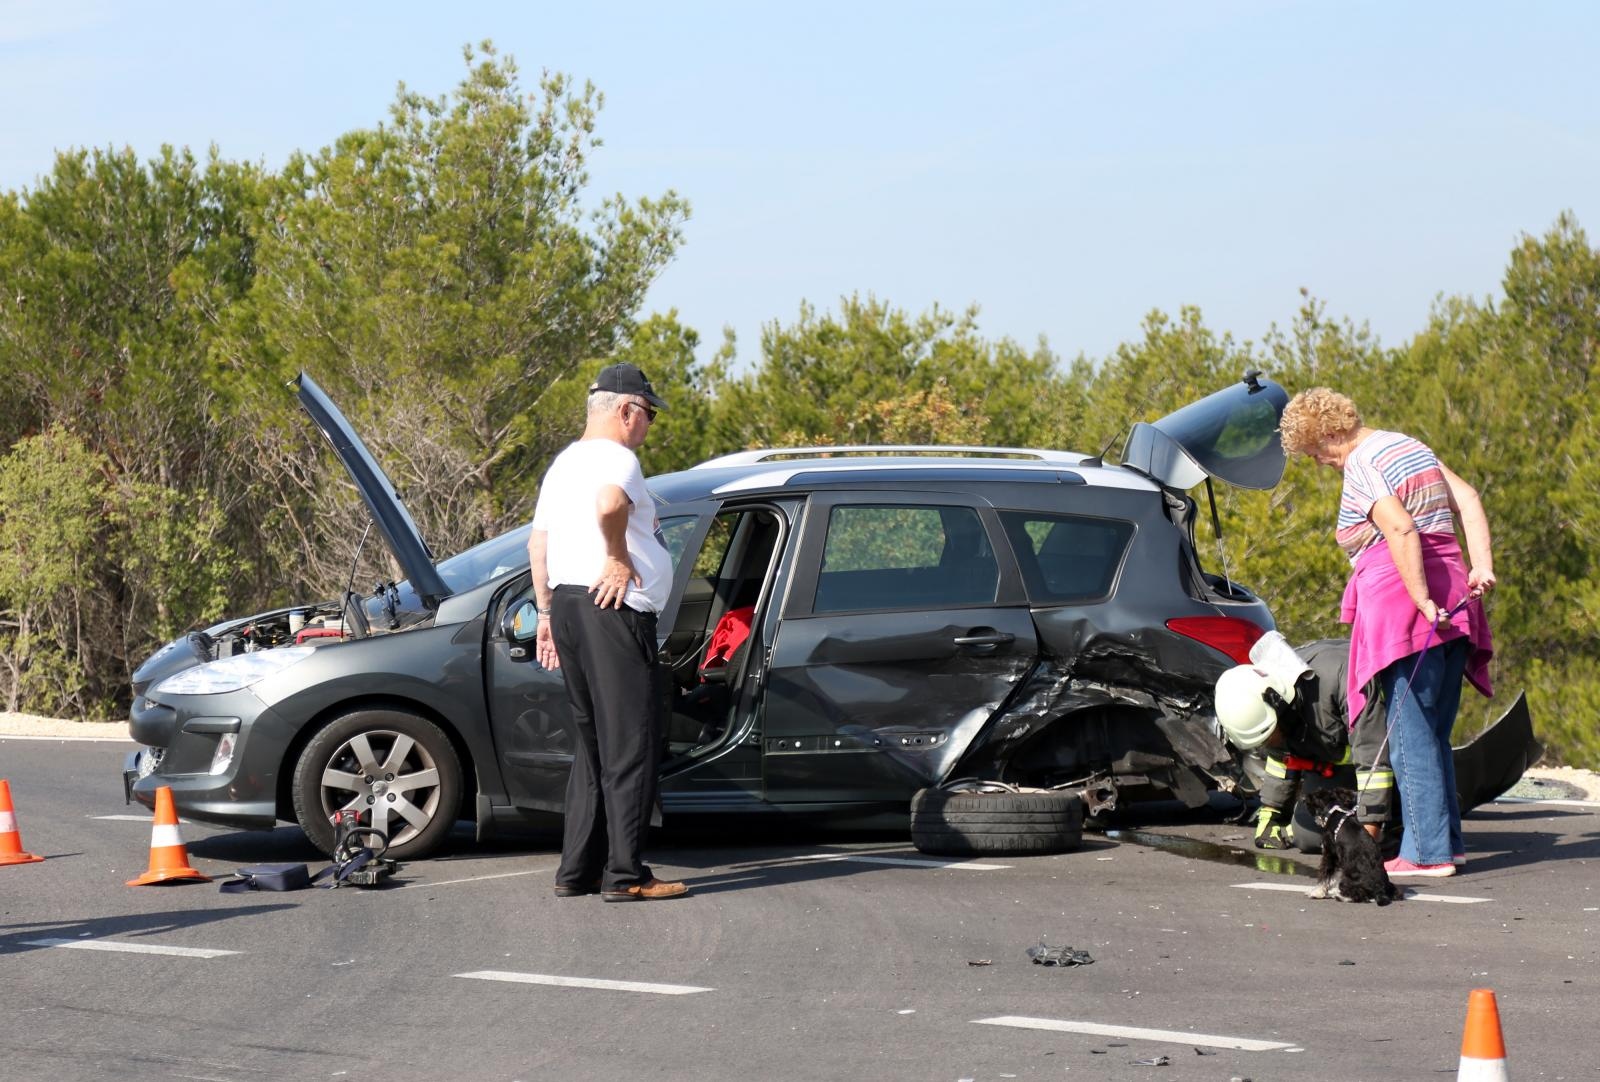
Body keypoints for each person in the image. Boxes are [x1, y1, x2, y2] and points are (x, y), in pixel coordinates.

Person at [1277, 388, 1495, 878]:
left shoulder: (1361, 463)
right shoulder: (1410, 445)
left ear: (1330, 433)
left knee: (1408, 733)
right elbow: (1469, 498)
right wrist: (1481, 565)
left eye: (1315, 453)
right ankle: (1446, 843)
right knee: (1433, 732)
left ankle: (1427, 855)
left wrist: (1419, 599)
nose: (1319, 463)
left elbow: (1399, 529)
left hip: (1408, 602)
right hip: (1456, 591)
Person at [527, 362, 688, 902]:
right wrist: (618, 557)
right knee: (629, 747)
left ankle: (577, 870)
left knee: (593, 748)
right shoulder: (617, 459)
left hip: (570, 606)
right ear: (625, 410)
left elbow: (537, 545)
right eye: (648, 414)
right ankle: (625, 875)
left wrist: (546, 615)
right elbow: (610, 503)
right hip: (612, 611)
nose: (649, 426)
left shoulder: (563, 463)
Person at [1214, 637, 1393, 852]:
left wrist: (1368, 837)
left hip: (1387, 761)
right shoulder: (1276, 702)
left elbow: (1374, 759)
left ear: (1281, 707)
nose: (1270, 743)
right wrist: (1271, 812)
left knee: (1354, 832)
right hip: (1337, 767)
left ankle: (1396, 824)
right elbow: (1281, 756)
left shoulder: (1341, 680)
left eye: (1270, 735)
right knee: (1308, 835)